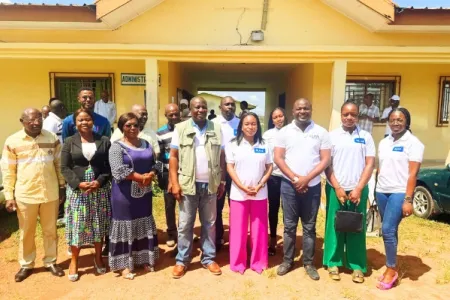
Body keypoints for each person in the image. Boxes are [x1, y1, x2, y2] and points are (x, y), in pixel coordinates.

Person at [1, 108, 65, 282]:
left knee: (50, 230)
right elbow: (8, 170)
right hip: (25, 194)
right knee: (26, 232)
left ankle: (51, 261)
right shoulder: (13, 141)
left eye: (39, 120)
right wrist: (9, 196)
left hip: (49, 193)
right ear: (22, 121)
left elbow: (59, 164)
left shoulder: (51, 138)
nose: (36, 123)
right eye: (31, 121)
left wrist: (61, 186)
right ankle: (26, 264)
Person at [274, 98, 331, 280]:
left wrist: (306, 179)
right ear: (293, 111)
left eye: (306, 108)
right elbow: (278, 158)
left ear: (311, 110)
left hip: (312, 187)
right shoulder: (284, 132)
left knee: (309, 227)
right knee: (289, 226)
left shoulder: (321, 132)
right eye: (299, 108)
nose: (302, 111)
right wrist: (295, 178)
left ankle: (308, 262)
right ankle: (287, 260)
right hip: (289, 186)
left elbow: (325, 160)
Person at [170, 96, 225, 279]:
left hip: (210, 184)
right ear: (190, 109)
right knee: (185, 224)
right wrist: (175, 183)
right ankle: (182, 261)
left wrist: (222, 180)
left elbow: (222, 155)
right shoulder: (180, 128)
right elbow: (174, 157)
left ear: (207, 109)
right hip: (187, 185)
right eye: (196, 107)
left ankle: (208, 258)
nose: (200, 110)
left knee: (209, 224)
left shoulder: (216, 127)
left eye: (203, 107)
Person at [323, 101, 375, 283]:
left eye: (353, 114)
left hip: (357, 189)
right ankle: (333, 262)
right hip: (335, 187)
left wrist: (359, 188)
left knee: (356, 227)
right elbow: (326, 164)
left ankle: (357, 265)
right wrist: (337, 187)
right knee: (334, 225)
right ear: (341, 116)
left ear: (358, 116)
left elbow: (370, 163)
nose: (349, 117)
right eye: (346, 114)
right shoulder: (331, 136)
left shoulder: (366, 137)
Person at [375, 107, 424, 290]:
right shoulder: (384, 142)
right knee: (390, 229)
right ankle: (392, 261)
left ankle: (391, 269)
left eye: (400, 119)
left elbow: (412, 174)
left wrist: (408, 199)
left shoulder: (413, 143)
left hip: (399, 191)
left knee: (387, 229)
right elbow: (382, 167)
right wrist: (375, 188)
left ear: (407, 121)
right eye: (392, 119)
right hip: (382, 191)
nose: (395, 123)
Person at [61, 108, 112, 282]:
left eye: (88, 119)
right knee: (78, 225)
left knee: (97, 224)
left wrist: (99, 181)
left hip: (99, 190)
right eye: (80, 120)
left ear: (93, 122)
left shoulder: (104, 141)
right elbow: (64, 167)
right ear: (75, 123)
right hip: (78, 192)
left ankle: (98, 257)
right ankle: (74, 260)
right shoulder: (69, 142)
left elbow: (108, 166)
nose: (84, 122)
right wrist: (78, 184)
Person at [108, 113, 161, 279]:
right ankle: (124, 265)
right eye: (128, 125)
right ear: (122, 127)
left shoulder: (146, 143)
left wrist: (151, 174)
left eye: (135, 125)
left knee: (143, 222)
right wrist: (140, 177)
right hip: (124, 195)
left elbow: (156, 163)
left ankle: (144, 259)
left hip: (144, 193)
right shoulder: (116, 147)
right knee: (126, 225)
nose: (132, 128)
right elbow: (117, 170)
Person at [226, 112, 273, 274]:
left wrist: (259, 185)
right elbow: (230, 167)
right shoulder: (233, 144)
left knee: (258, 230)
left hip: (260, 194)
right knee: (238, 230)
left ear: (258, 126)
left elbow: (269, 167)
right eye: (247, 124)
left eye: (254, 124)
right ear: (241, 126)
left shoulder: (264, 144)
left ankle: (258, 262)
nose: (250, 127)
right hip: (239, 194)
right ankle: (238, 263)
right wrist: (242, 187)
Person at [213, 96, 240, 250]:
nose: (230, 107)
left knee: (235, 204)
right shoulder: (214, 124)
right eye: (226, 104)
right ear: (220, 107)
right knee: (217, 205)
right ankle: (217, 237)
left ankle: (236, 237)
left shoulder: (241, 123)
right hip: (219, 171)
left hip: (237, 171)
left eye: (232, 104)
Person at [262, 107, 288, 256]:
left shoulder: (291, 132)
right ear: (272, 120)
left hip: (287, 177)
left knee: (287, 211)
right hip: (273, 177)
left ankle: (287, 241)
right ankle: (272, 240)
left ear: (285, 117)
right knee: (273, 209)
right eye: (275, 117)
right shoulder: (267, 135)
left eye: (281, 116)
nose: (279, 119)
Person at [157, 103, 181, 247]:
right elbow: (159, 156)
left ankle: (185, 233)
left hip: (184, 174)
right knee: (169, 205)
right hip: (167, 174)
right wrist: (161, 175)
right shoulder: (160, 133)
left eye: (176, 114)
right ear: (165, 116)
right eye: (170, 114)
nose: (174, 116)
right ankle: (172, 233)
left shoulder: (187, 130)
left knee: (185, 205)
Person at [43, 99, 67, 224]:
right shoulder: (50, 122)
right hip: (54, 159)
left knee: (62, 185)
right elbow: (47, 144)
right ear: (61, 108)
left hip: (60, 157)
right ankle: (57, 215)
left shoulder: (58, 121)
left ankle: (60, 214)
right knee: (57, 186)